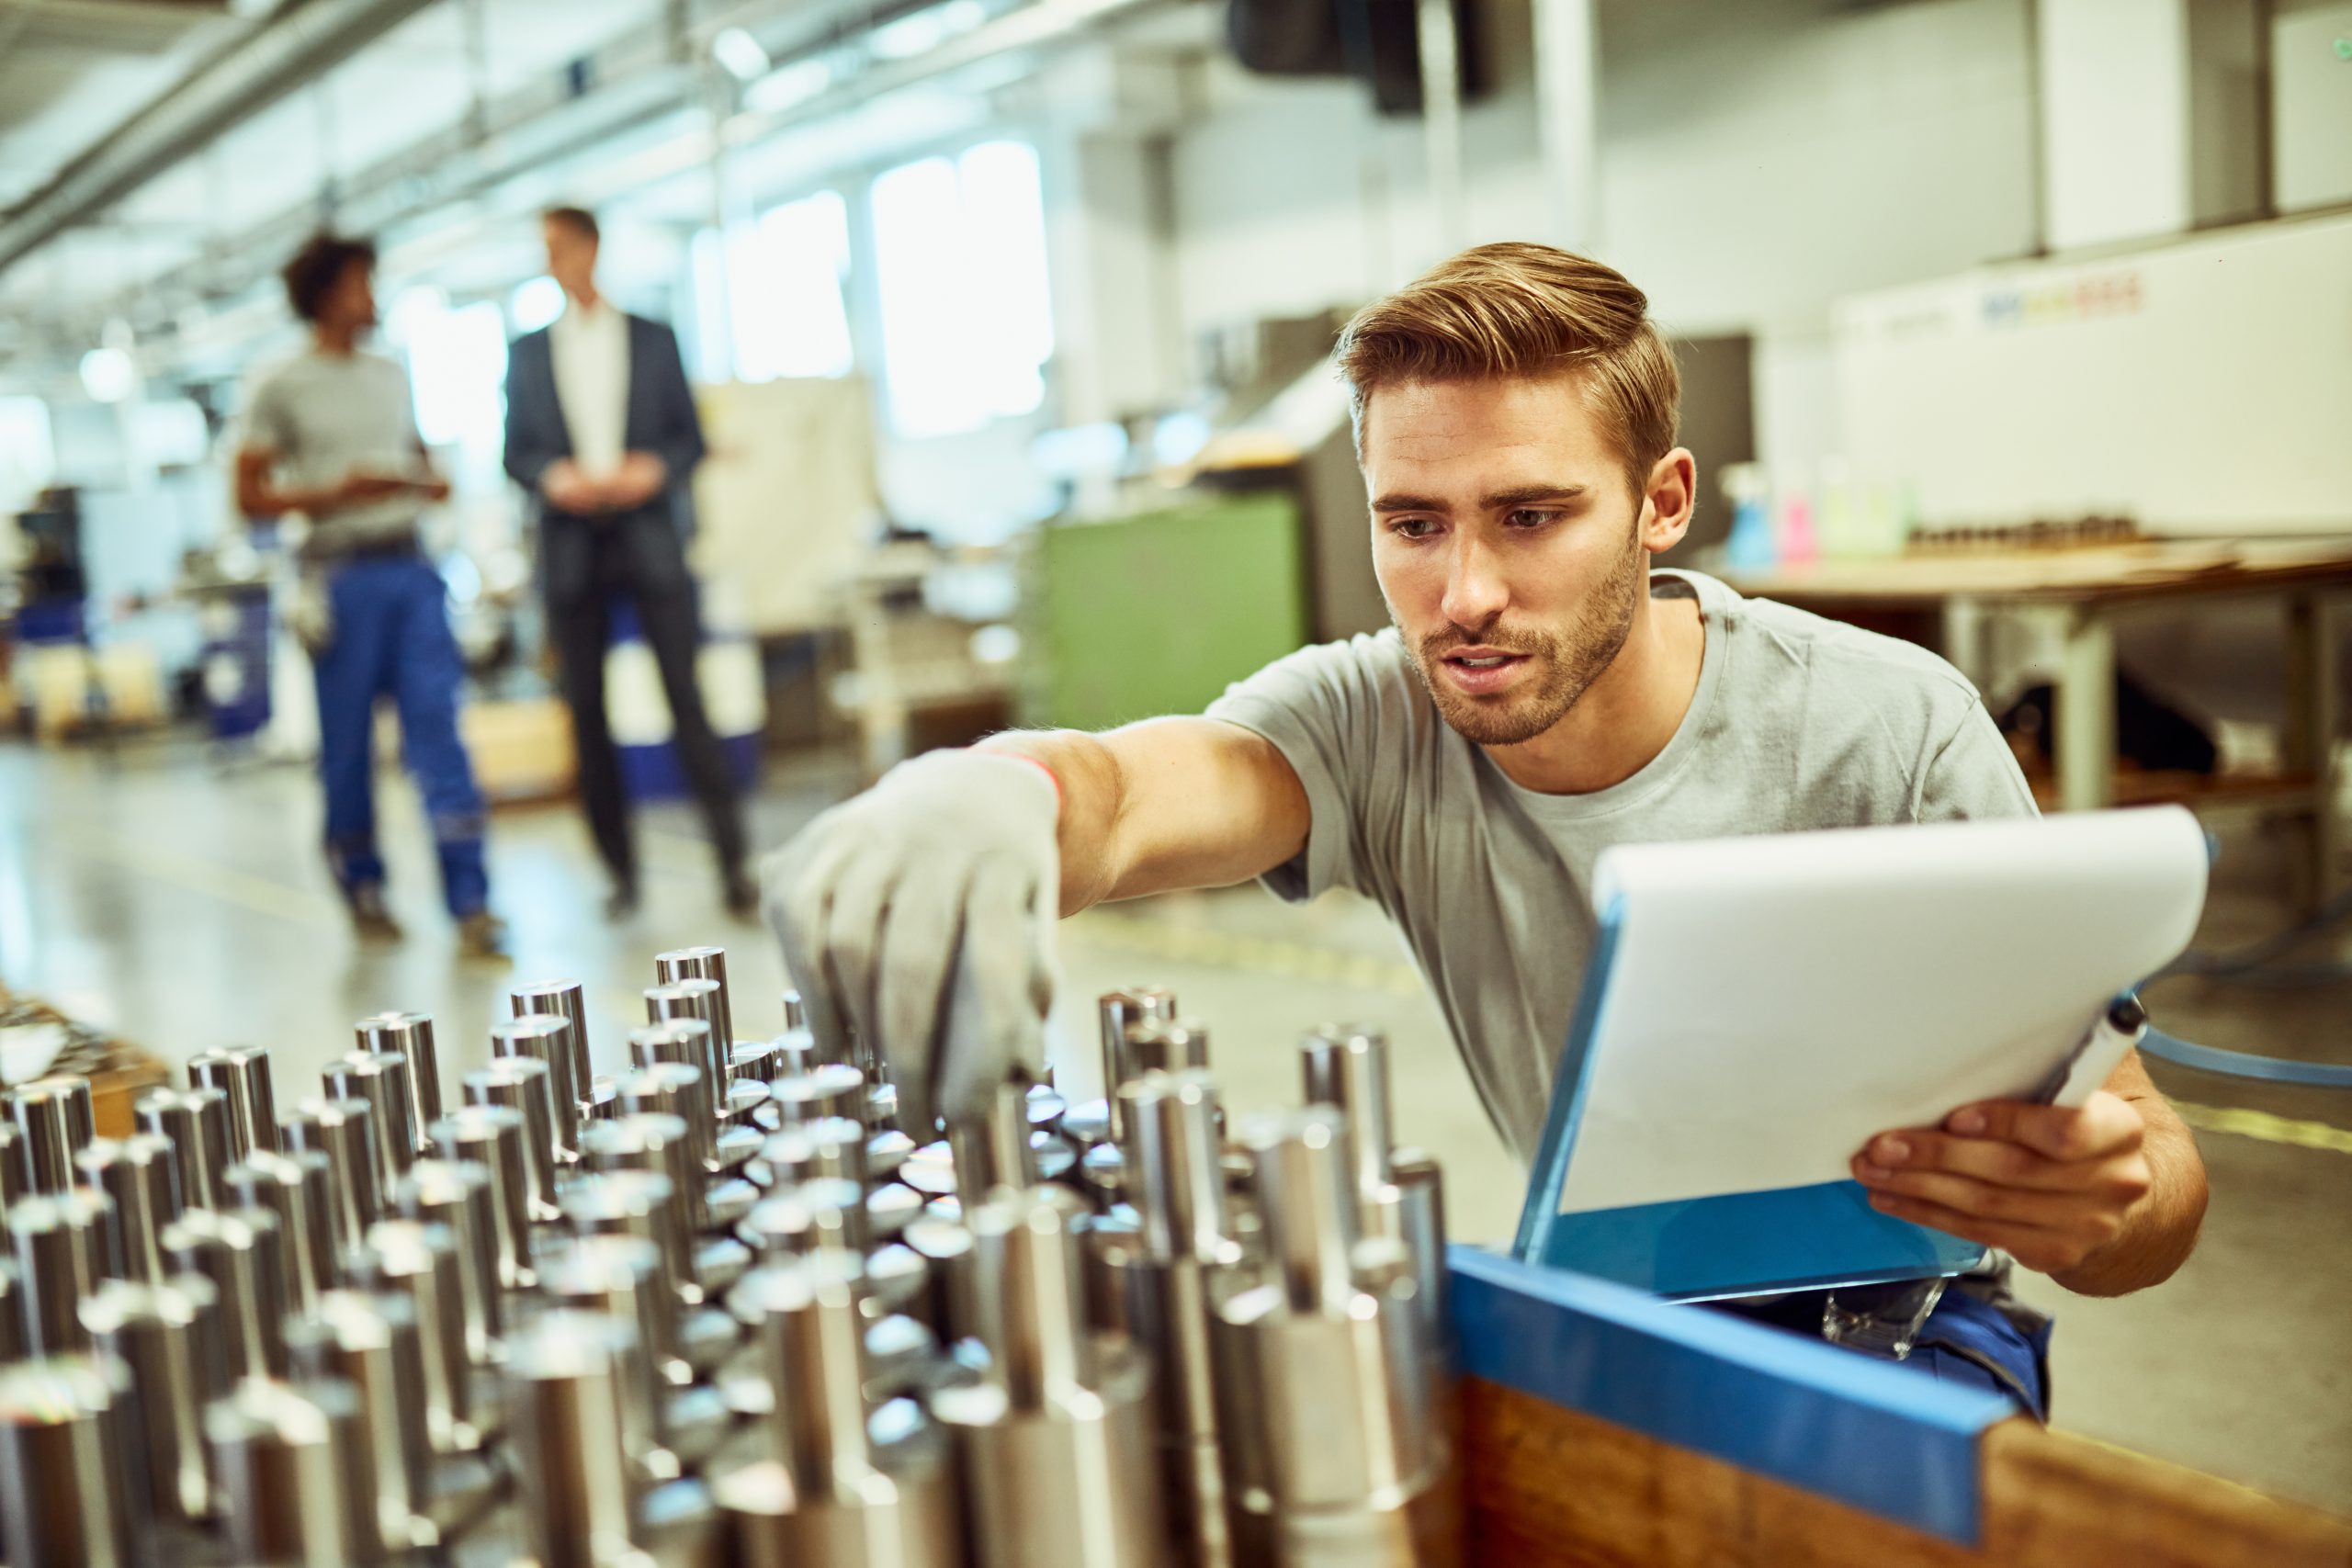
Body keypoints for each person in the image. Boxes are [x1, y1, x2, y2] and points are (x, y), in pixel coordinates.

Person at [764, 243, 2211, 1414]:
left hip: (1916, 1320)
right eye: (1414, 523)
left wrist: (2109, 1202)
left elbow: (2152, 1180)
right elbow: (1141, 792)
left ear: (1661, 503)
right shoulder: (1378, 720)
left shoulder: (1889, 727)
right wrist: (1007, 794)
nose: (1460, 593)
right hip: (1608, 1302)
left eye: (1528, 516)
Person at [235, 233, 506, 959]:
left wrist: (428, 481)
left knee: (438, 735)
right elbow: (248, 494)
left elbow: (415, 458)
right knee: (348, 748)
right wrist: (336, 492)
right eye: (361, 283)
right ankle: (363, 887)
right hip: (341, 576)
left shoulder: (391, 373)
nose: (372, 296)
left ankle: (472, 900)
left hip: (411, 571)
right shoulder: (278, 384)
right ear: (326, 294)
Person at [503, 206, 753, 920]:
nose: (552, 260)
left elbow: (690, 439)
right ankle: (620, 873)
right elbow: (515, 452)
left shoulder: (653, 338)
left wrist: (654, 469)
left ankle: (732, 863)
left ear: (590, 248)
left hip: (647, 535)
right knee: (587, 714)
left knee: (687, 700)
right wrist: (554, 477)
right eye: (543, 250)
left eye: (559, 246)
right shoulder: (526, 353)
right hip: (573, 546)